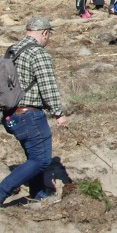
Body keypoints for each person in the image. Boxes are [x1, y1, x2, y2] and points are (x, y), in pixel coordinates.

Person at [0, 17, 69, 206]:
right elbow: (48, 86)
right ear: (45, 33)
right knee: (42, 161)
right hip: (30, 115)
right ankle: (2, 192)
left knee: (33, 157)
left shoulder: (12, 50)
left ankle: (38, 193)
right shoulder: (38, 54)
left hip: (12, 114)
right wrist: (58, 113)